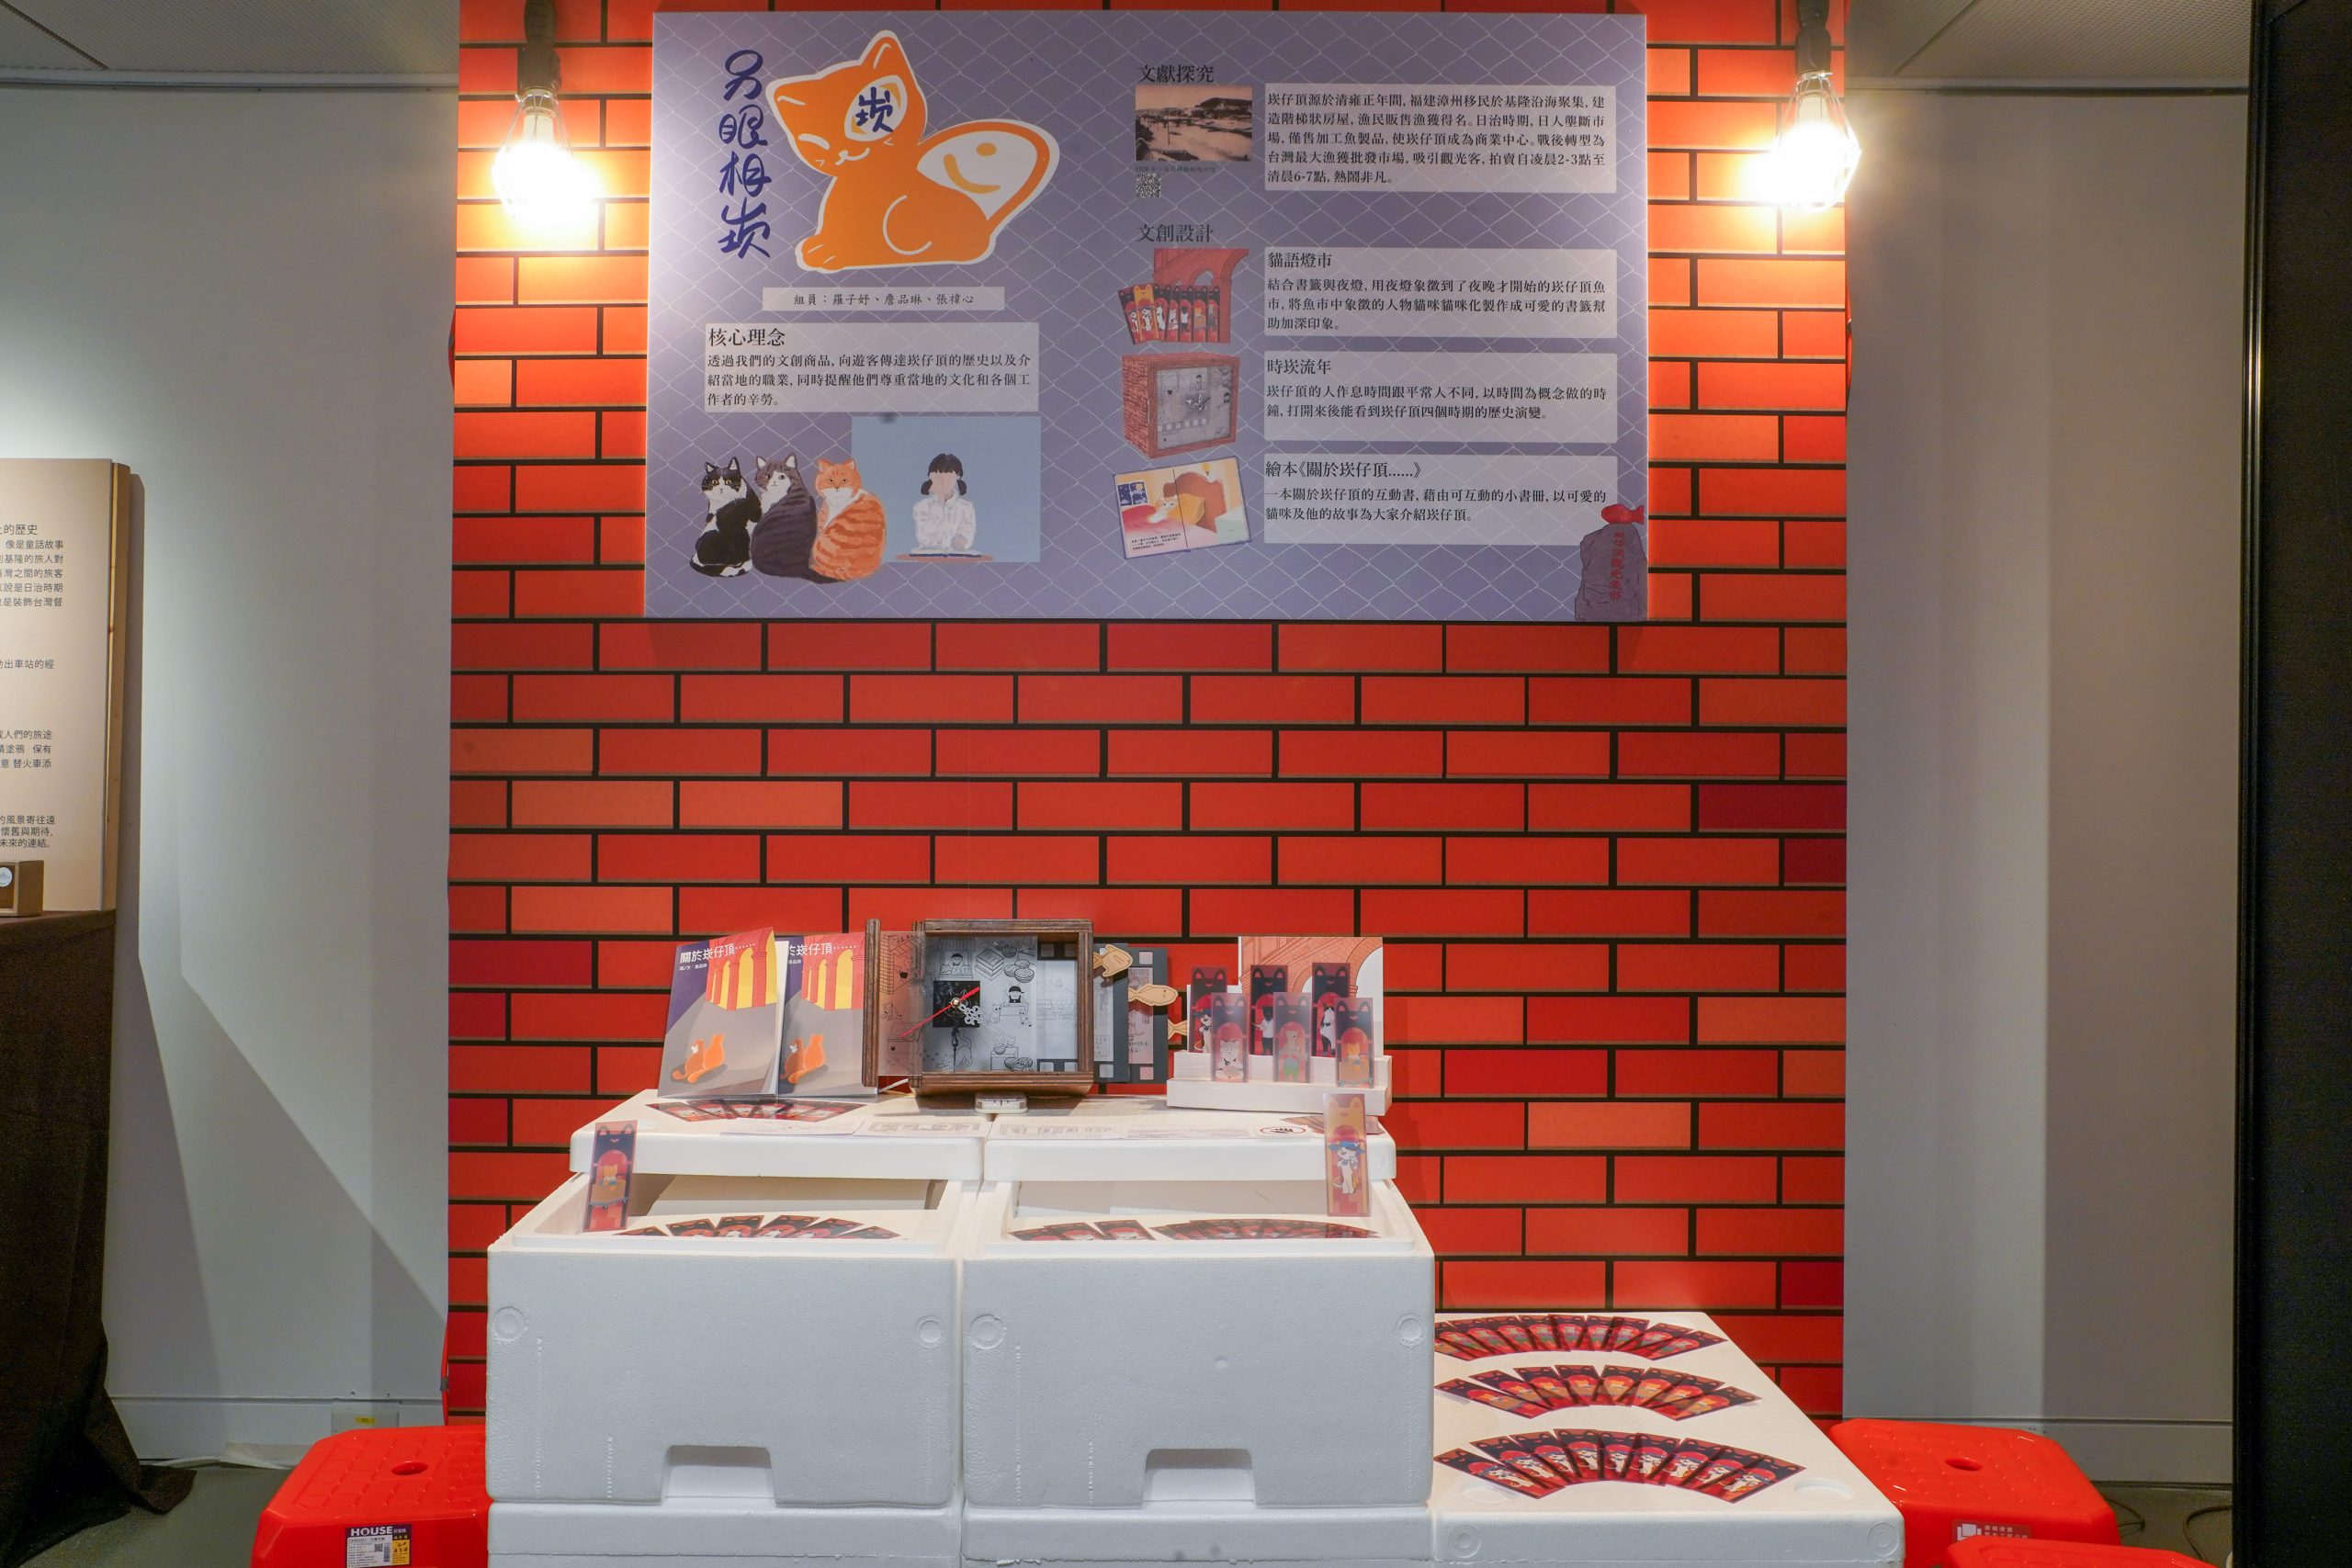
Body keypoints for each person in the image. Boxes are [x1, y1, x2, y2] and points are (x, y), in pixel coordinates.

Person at [1574, 501, 1648, 621]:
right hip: (1628, 611)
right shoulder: (1630, 536)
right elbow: (1641, 578)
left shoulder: (1590, 540)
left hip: (1593, 611)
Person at [911, 453, 978, 553]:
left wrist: (963, 540)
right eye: (939, 477)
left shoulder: (966, 507)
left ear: (957, 476)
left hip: (957, 558)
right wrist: (939, 500)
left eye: (949, 476)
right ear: (931, 477)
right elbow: (925, 540)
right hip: (928, 557)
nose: (944, 481)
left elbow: (967, 537)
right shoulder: (921, 507)